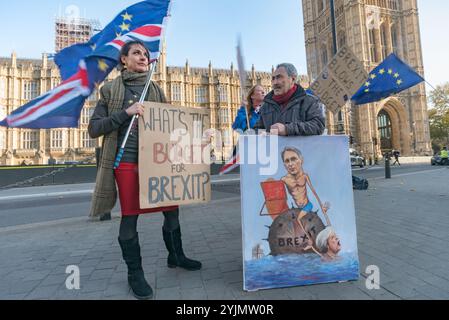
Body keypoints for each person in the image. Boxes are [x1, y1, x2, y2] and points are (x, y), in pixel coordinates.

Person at [88, 40, 201, 300]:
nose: (143, 57)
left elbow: (172, 127)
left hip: (158, 161)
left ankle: (176, 256)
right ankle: (135, 274)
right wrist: (126, 112)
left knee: (172, 210)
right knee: (130, 217)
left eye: (146, 54)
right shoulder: (110, 90)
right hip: (127, 162)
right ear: (124, 60)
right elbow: (95, 128)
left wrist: (197, 136)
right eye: (136, 52)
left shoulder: (155, 89)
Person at [254, 63, 325, 136]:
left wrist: (287, 129)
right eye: (273, 78)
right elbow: (257, 129)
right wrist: (261, 134)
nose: (275, 82)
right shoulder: (266, 106)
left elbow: (318, 125)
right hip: (274, 147)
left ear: (293, 79)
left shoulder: (310, 101)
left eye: (279, 77)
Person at [281, 147, 330, 225]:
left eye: (293, 159)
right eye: (287, 161)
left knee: (299, 221)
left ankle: (310, 237)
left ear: (301, 160)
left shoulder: (305, 176)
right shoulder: (284, 180)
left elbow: (314, 192)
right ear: (284, 165)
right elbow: (280, 198)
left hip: (308, 205)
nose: (290, 164)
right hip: (296, 209)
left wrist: (322, 206)